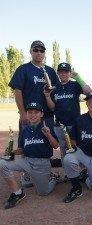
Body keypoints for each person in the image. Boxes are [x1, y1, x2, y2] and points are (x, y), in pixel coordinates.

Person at [8, 40, 60, 187]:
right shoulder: (24, 69)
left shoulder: (49, 71)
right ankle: (27, 173)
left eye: (41, 50)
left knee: (46, 143)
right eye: (35, 50)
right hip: (29, 116)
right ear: (30, 52)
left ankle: (46, 171)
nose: (38, 53)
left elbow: (55, 90)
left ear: (44, 53)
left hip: (46, 115)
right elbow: (17, 90)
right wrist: (22, 112)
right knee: (26, 144)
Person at [0, 102, 59, 209]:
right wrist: (11, 152)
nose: (33, 115)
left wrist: (48, 135)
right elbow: (22, 150)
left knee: (43, 193)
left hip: (42, 164)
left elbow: (55, 146)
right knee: (2, 163)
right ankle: (18, 193)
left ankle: (53, 177)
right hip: (26, 161)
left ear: (41, 114)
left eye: (36, 112)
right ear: (26, 114)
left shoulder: (46, 127)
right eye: (30, 112)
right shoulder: (25, 129)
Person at [44, 62, 91, 165]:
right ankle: (68, 172)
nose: (63, 74)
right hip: (60, 125)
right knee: (64, 149)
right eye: (61, 72)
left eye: (66, 72)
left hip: (75, 124)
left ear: (69, 73)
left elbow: (88, 91)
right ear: (58, 73)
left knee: (79, 147)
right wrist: (47, 96)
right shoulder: (54, 88)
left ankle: (82, 170)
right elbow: (52, 108)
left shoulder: (74, 85)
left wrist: (77, 77)